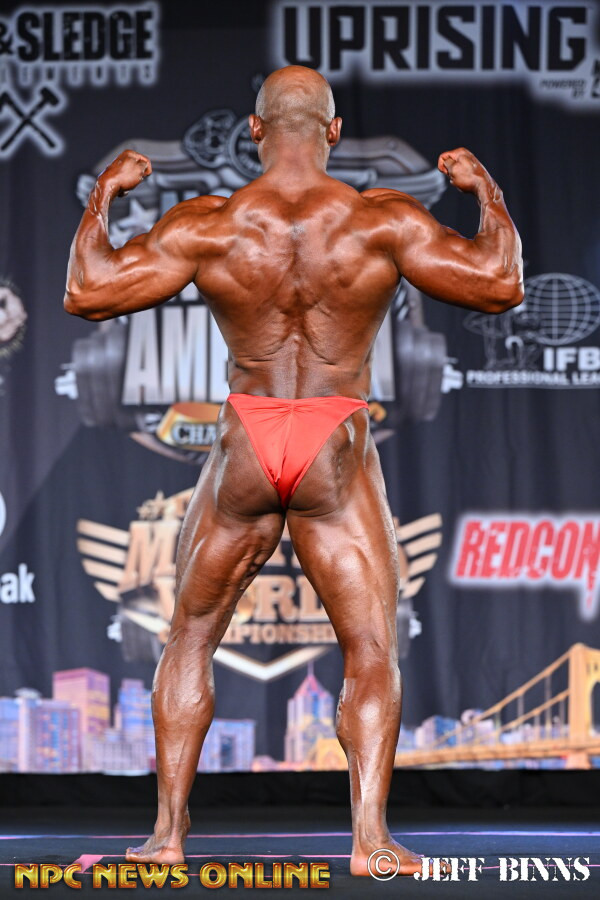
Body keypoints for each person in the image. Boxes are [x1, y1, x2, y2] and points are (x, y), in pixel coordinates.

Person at [64, 65, 523, 876]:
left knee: (190, 637)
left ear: (254, 130)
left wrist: (104, 193)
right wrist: (486, 191)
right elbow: (500, 283)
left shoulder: (210, 223)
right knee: (370, 647)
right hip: (332, 437)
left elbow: (87, 291)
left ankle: (167, 837)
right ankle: (370, 841)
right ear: (334, 132)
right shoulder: (381, 221)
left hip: (248, 436)